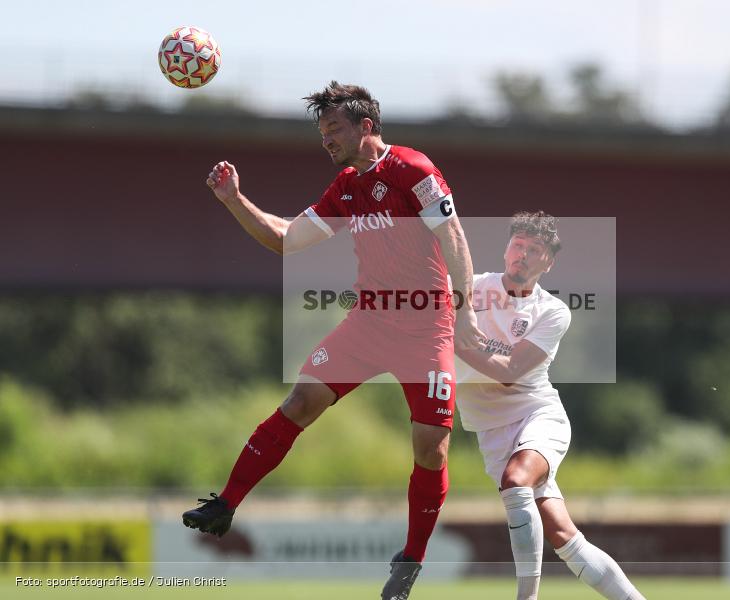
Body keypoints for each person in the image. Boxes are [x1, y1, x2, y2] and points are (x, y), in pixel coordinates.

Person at [180, 81, 484, 600]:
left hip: (425, 326)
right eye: (321, 132)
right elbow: (284, 238)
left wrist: (466, 313)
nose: (326, 140)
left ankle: (410, 561)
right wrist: (233, 200)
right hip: (368, 323)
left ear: (367, 126)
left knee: (431, 450)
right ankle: (225, 504)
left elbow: (452, 237)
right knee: (300, 401)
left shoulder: (414, 169)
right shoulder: (345, 186)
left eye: (334, 129)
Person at [455, 212, 645, 600]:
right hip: (491, 431)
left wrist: (455, 341)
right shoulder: (468, 287)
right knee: (563, 536)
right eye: (518, 245)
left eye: (534, 250)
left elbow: (509, 372)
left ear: (548, 262)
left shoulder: (553, 311)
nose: (522, 254)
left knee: (516, 480)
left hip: (537, 415)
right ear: (507, 248)